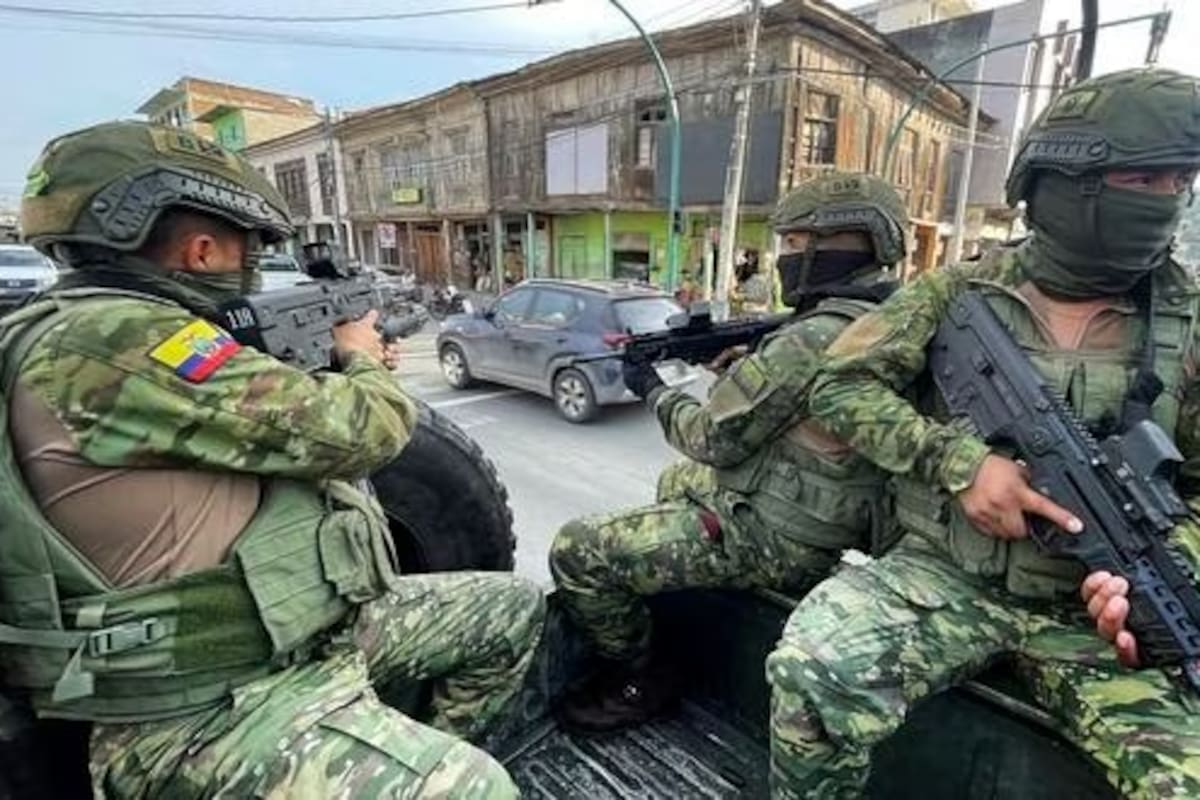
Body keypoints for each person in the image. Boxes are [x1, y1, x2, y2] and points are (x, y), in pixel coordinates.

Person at [0, 120, 545, 797]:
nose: (253, 261)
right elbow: (365, 429)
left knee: (514, 607)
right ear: (202, 249)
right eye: (247, 242)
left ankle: (414, 753)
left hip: (302, 634)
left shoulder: (89, 333)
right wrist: (360, 359)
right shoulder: (109, 340)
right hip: (201, 705)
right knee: (478, 790)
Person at [767, 67, 1200, 798]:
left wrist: (1165, 566)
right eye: (1144, 179)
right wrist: (959, 462)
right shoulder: (956, 292)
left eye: (1179, 182)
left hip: (1087, 623)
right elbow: (838, 385)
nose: (1168, 199)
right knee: (811, 670)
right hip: (944, 577)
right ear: (1068, 183)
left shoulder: (1188, 322)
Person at [548, 171, 908, 731]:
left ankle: (640, 675)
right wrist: (743, 369)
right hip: (831, 508)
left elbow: (709, 438)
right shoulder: (884, 316)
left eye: (792, 244)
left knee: (578, 550)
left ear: (830, 244)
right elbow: (802, 411)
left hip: (782, 535)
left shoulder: (813, 336)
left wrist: (653, 388)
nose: (784, 257)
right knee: (673, 485)